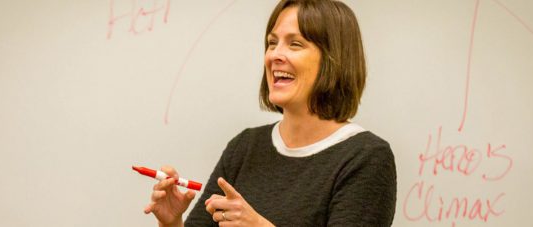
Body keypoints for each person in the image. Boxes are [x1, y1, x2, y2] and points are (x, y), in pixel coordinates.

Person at [142, 0, 396, 226]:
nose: (275, 55)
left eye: (295, 44)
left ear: (333, 59)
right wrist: (172, 223)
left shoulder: (366, 157)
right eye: (272, 43)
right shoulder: (245, 146)